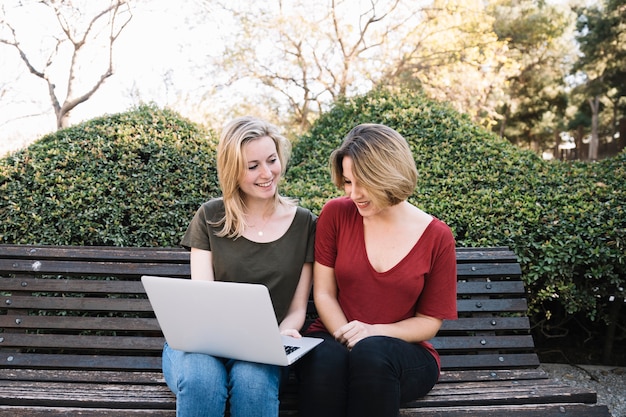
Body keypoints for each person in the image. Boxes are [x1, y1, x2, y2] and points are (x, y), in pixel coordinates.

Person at [296, 123, 458, 417]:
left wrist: (372, 333)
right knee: (324, 361)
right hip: (333, 336)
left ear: (389, 175)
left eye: (363, 182)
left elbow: (428, 322)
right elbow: (324, 293)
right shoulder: (336, 214)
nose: (354, 193)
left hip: (400, 353)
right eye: (347, 182)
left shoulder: (437, 236)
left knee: (371, 355)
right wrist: (348, 338)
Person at [162, 116, 316, 417]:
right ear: (233, 170)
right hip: (203, 344)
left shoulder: (304, 223)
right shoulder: (210, 216)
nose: (267, 173)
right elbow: (202, 299)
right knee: (201, 380)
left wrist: (285, 333)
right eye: (253, 166)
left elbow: (297, 308)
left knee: (252, 381)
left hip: (265, 347)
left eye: (272, 160)